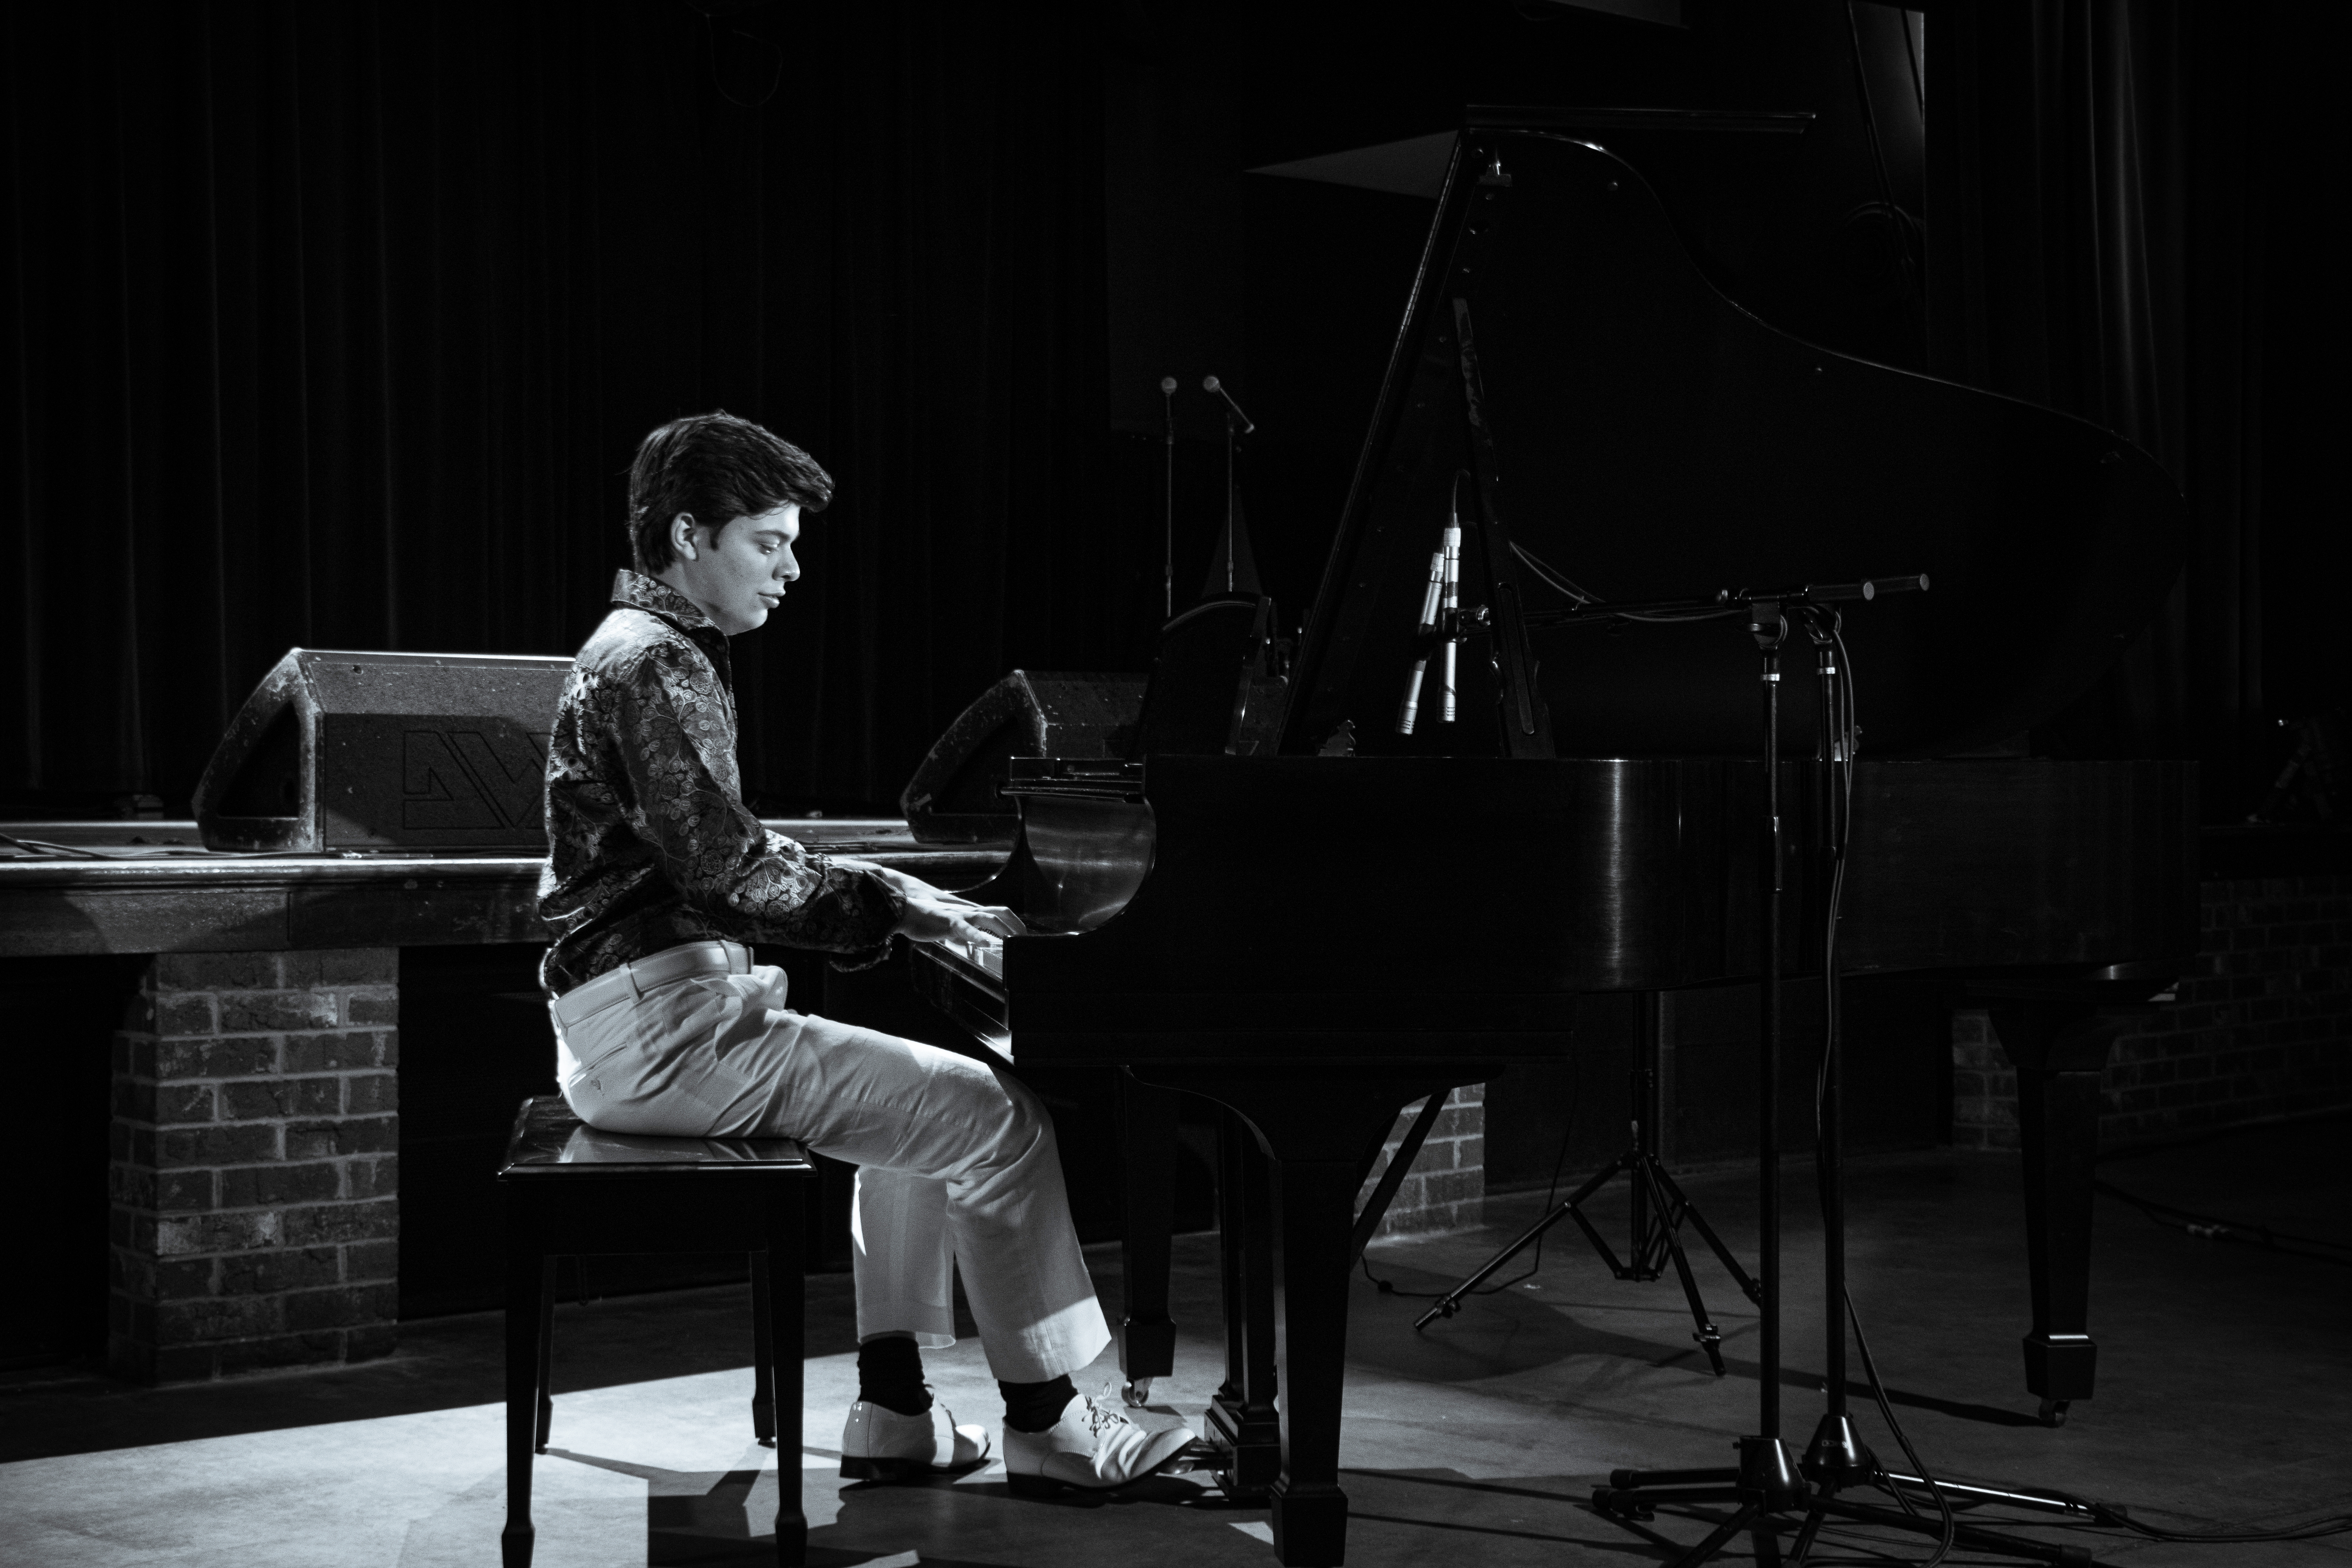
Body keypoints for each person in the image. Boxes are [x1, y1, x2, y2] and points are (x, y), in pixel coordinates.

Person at [535, 410, 1191, 1493]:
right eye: (769, 543)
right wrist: (896, 910)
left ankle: (894, 1413)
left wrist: (904, 895)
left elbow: (721, 843)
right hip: (665, 1035)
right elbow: (728, 874)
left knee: (912, 1117)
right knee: (1001, 1120)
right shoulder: (661, 663)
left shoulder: (636, 648)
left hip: (644, 1022)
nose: (791, 571)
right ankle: (1060, 1424)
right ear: (691, 535)